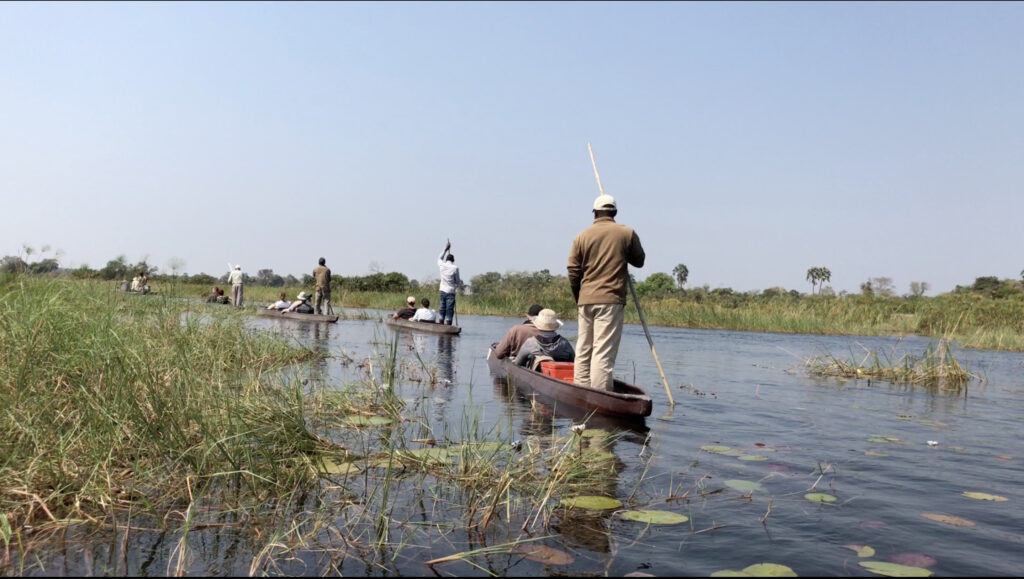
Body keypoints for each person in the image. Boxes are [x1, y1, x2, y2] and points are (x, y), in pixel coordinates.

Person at [567, 194, 645, 391]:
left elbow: (573, 270)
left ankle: (581, 391)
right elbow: (639, 261)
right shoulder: (626, 233)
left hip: (586, 299)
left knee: (584, 349)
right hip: (610, 299)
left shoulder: (581, 236)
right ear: (615, 212)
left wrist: (579, 296)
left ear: (594, 213)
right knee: (602, 352)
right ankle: (599, 395)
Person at [437, 241, 461, 326]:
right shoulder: (455, 268)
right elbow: (457, 281)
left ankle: (440, 323)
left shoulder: (441, 265)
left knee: (442, 307)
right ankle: (448, 324)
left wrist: (446, 249)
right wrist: (455, 283)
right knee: (449, 309)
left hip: (443, 290)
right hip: (451, 291)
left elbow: (439, 258)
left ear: (446, 259)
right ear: (453, 260)